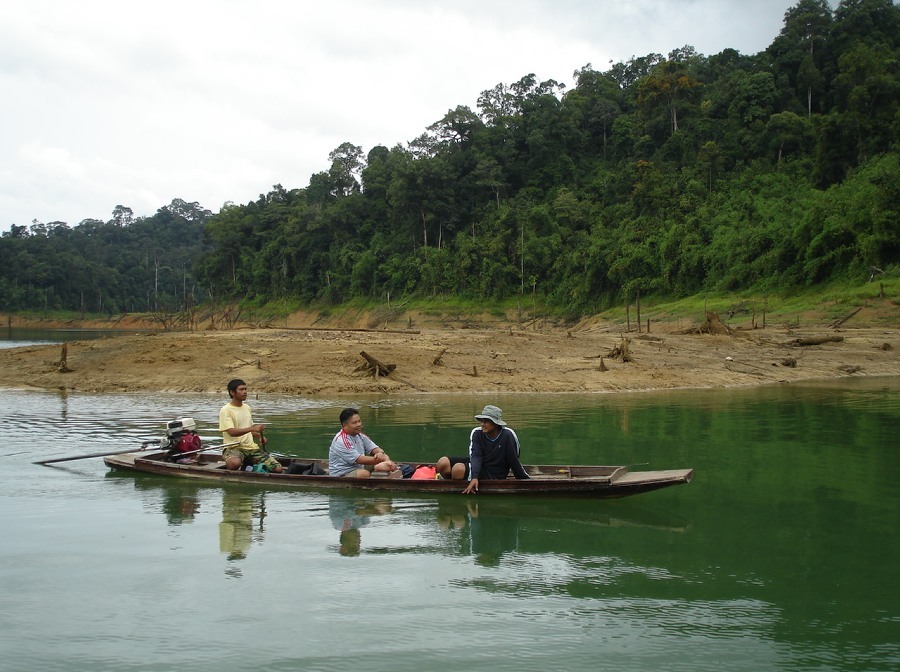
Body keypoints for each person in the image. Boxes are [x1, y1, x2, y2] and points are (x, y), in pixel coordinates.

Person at [438, 405, 530, 495]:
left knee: (458, 470)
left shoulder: (508, 435)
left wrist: (526, 481)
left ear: (495, 423)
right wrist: (475, 477)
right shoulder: (477, 433)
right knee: (443, 463)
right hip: (478, 464)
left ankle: (457, 483)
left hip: (494, 472)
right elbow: (476, 456)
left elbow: (513, 459)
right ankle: (451, 483)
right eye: (481, 421)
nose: (482, 424)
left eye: (486, 421)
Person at [218, 378, 283, 473]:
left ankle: (247, 463)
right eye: (241, 389)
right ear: (232, 392)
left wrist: (259, 436)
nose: (245, 392)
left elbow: (249, 429)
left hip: (251, 448)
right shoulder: (226, 410)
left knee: (278, 469)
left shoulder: (247, 408)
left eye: (245, 389)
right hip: (233, 448)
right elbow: (231, 432)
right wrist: (252, 428)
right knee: (234, 464)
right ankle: (239, 463)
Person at [328, 407, 399, 478]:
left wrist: (380, 454)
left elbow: (375, 449)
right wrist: (379, 460)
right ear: (345, 425)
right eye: (354, 423)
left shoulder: (360, 435)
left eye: (359, 421)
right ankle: (385, 469)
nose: (359, 424)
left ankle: (389, 468)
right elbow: (359, 459)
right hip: (342, 473)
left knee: (385, 457)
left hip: (358, 467)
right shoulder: (341, 440)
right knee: (364, 474)